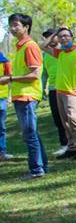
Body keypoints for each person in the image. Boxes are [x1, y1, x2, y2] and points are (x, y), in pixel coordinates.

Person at [40, 27, 76, 160]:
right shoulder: (60, 52)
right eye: (61, 36)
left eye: (66, 35)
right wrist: (55, 33)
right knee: (65, 121)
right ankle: (72, 147)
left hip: (72, 92)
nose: (63, 38)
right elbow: (42, 46)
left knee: (73, 119)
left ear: (72, 38)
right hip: (59, 91)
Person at [0, 14, 48, 178]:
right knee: (32, 133)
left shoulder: (30, 46)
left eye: (16, 25)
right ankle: (42, 166)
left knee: (29, 135)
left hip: (27, 96)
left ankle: (36, 170)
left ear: (26, 27)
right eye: (11, 25)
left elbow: (35, 74)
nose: (12, 28)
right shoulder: (20, 47)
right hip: (20, 96)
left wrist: (10, 78)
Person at [39, 28, 69, 157]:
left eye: (52, 36)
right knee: (57, 119)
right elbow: (44, 74)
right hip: (53, 89)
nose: (50, 39)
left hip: (65, 88)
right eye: (47, 37)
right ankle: (64, 145)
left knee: (69, 118)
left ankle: (74, 144)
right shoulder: (45, 55)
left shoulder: (64, 50)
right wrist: (42, 88)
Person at [0, 51, 11, 160]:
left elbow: (9, 77)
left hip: (1, 98)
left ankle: (2, 152)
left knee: (1, 127)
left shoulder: (4, 61)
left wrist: (9, 96)